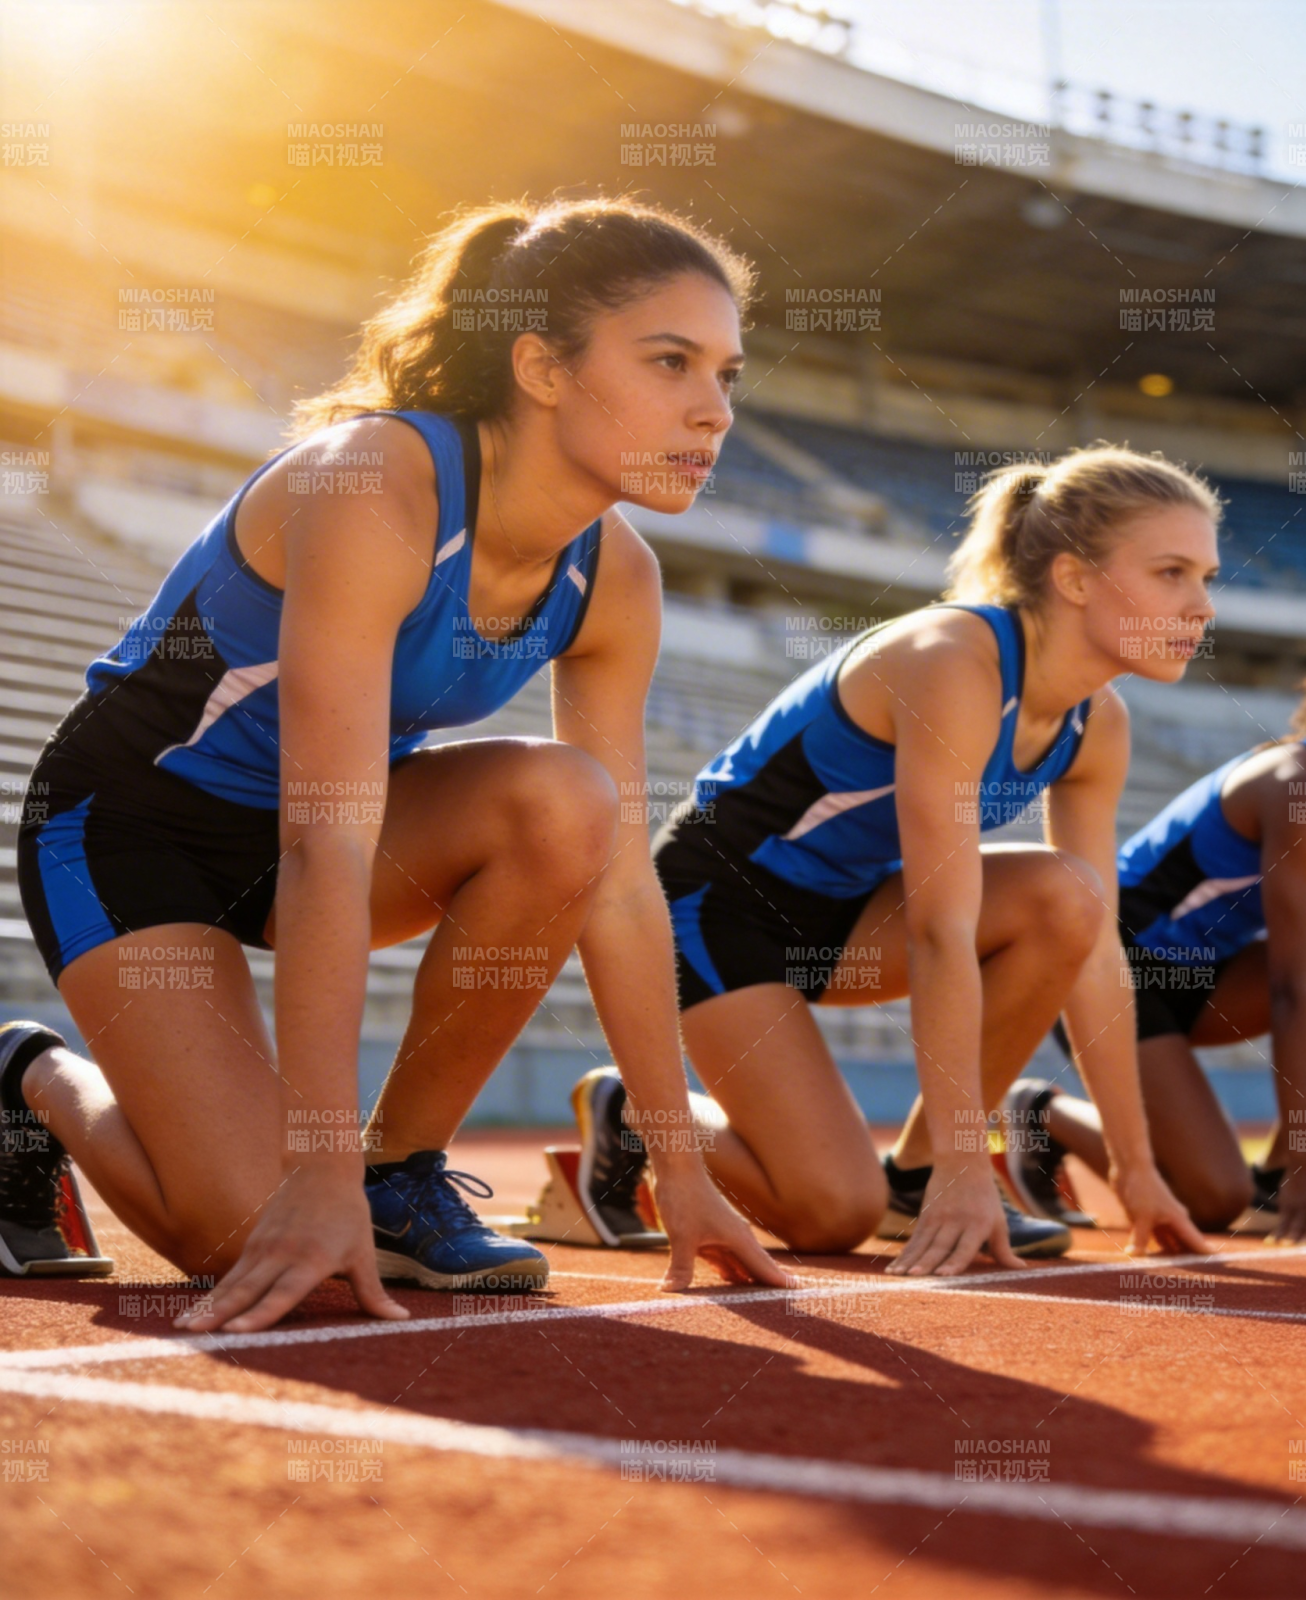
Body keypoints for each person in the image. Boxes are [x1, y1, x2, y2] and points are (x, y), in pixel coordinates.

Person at [1, 195, 790, 1327]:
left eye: (727, 374)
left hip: (322, 837)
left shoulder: (615, 576)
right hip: (133, 828)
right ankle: (27, 1077)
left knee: (575, 806)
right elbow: (325, 834)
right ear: (541, 367)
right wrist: (307, 1177)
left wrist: (688, 1167)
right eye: (672, 362)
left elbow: (616, 884)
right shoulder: (372, 480)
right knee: (246, 1234)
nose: (712, 412)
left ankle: (398, 1169)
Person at [573, 446, 1218, 1278]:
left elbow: (1095, 957)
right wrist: (968, 1164)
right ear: (1075, 577)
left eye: (1206, 576)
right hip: (720, 907)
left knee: (1071, 899)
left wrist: (1137, 1170)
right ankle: (634, 1113)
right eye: (1172, 573)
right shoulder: (951, 660)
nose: (1201, 606)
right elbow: (943, 932)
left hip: (849, 915)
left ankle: (913, 1176)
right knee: (832, 1216)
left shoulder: (1102, 726)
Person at [1004, 618, 1306, 1245]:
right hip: (1113, 968)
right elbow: (1295, 989)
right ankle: (1044, 1115)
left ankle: (1271, 1179)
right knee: (1213, 1201)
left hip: (1207, 978)